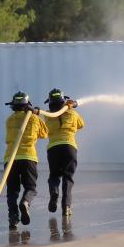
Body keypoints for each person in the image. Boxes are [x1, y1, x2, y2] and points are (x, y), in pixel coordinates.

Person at [4, 91, 48, 230]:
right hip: (28, 157)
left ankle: (13, 219)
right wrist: (35, 114)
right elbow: (44, 133)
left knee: (12, 191)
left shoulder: (10, 120)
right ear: (27, 105)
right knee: (30, 187)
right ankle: (25, 202)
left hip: (10, 158)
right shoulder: (34, 119)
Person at [43, 88, 84, 217]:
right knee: (68, 177)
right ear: (63, 100)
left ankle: (54, 192)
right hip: (69, 148)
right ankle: (66, 206)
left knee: (54, 175)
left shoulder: (47, 115)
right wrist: (70, 107)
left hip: (53, 148)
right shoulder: (72, 113)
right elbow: (81, 125)